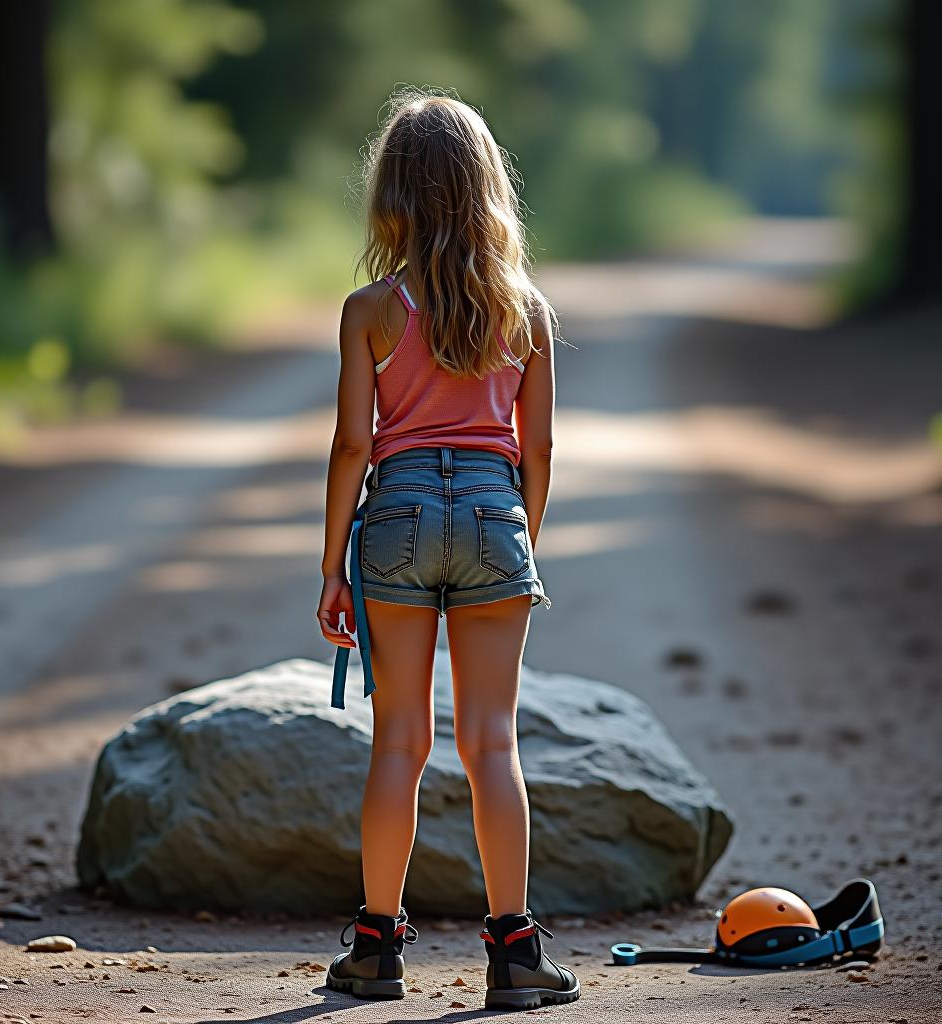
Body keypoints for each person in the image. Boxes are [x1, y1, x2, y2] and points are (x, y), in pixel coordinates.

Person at [317, 86, 578, 1012]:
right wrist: (519, 540)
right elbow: (538, 449)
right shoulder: (527, 311)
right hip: (494, 515)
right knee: (493, 740)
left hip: (394, 520)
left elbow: (354, 444)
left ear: (392, 191)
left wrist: (331, 566)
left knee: (399, 741)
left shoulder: (371, 311)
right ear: (486, 190)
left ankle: (376, 950)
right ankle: (514, 955)